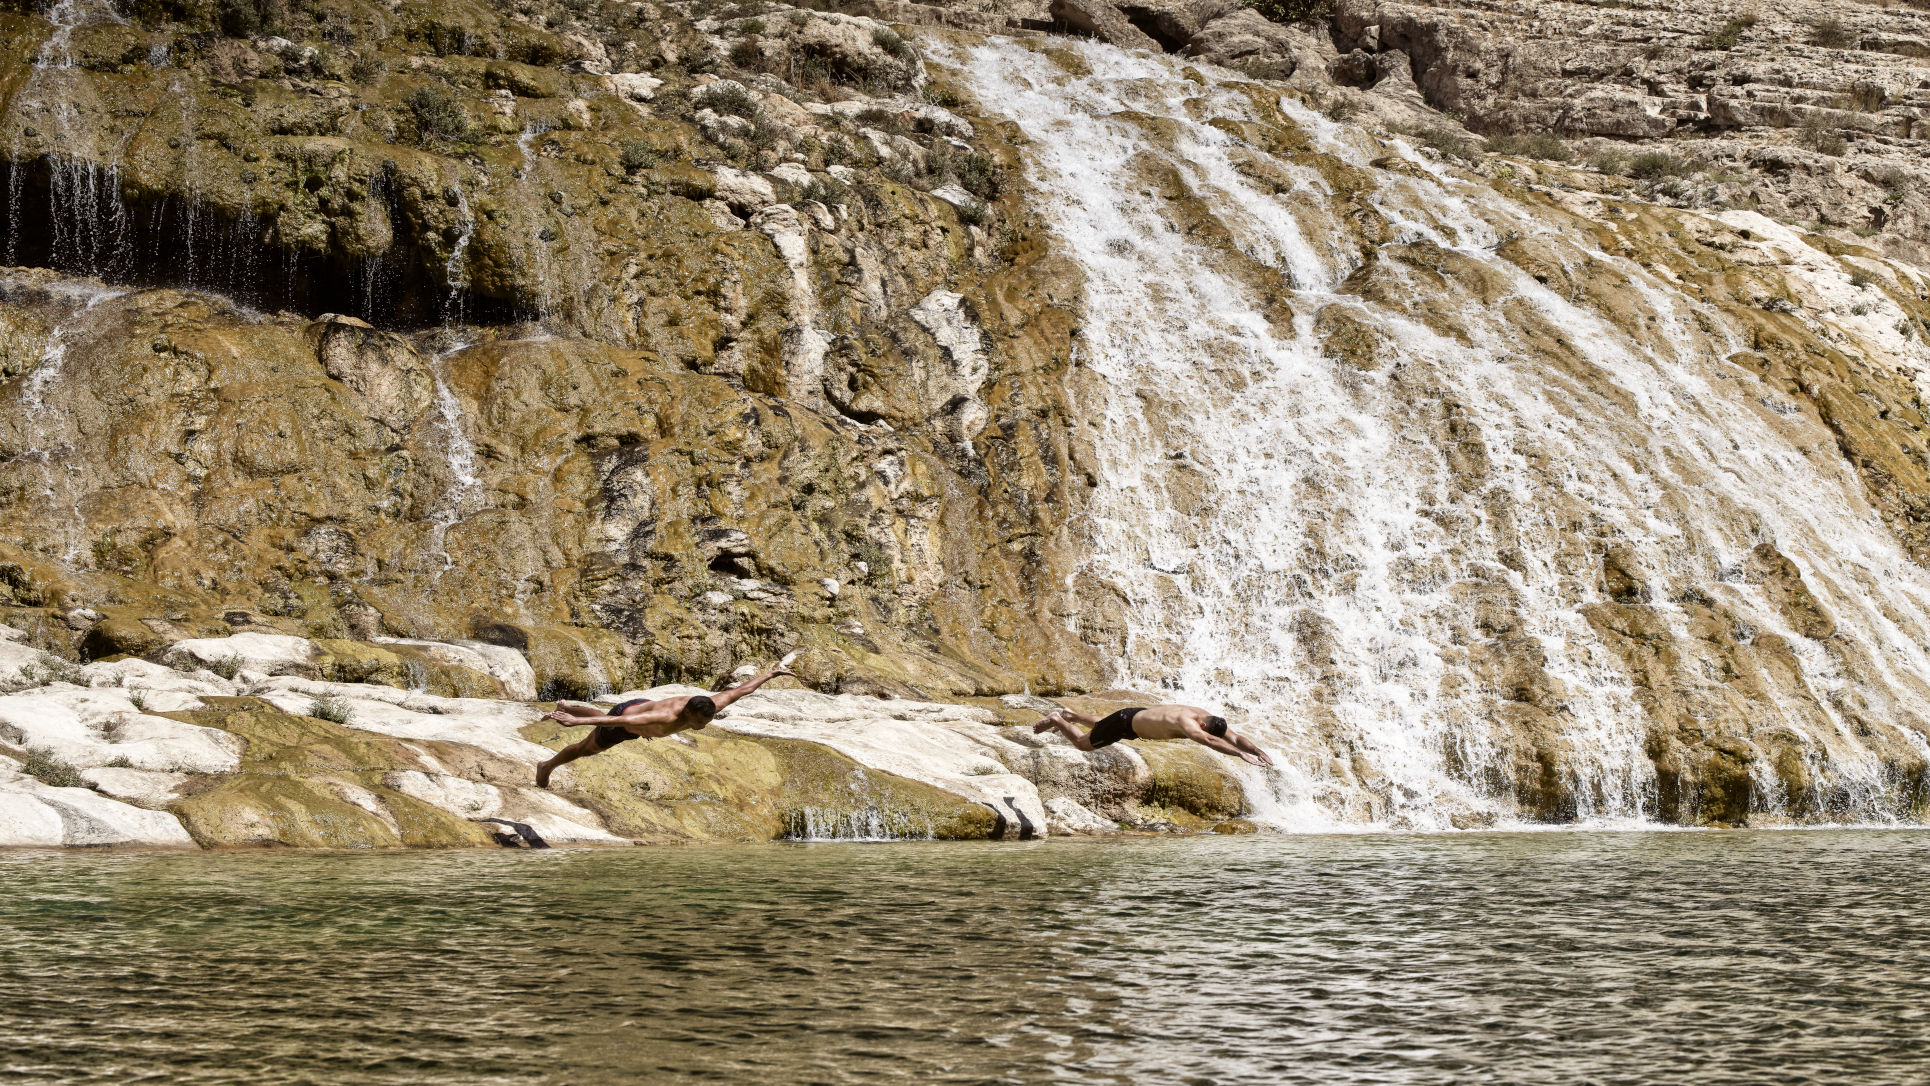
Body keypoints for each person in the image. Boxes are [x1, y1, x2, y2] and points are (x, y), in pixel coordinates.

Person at [535, 663, 794, 787]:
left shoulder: (710, 704)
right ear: (687, 711)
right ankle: (546, 767)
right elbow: (617, 719)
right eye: (698, 723)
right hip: (628, 721)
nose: (702, 727)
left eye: (707, 722)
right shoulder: (664, 718)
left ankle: (567, 705)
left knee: (604, 720)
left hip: (640, 709)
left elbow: (742, 690)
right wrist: (575, 721)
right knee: (585, 749)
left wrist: (771, 674)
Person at [1033, 704, 1274, 767]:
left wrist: (1256, 750)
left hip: (1132, 718)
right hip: (1126, 724)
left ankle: (1072, 715)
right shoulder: (1188, 723)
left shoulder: (1205, 716)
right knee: (1083, 744)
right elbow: (1210, 740)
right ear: (1202, 725)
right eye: (1202, 730)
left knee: (1104, 724)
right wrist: (1240, 756)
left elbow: (1234, 737)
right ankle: (1057, 719)